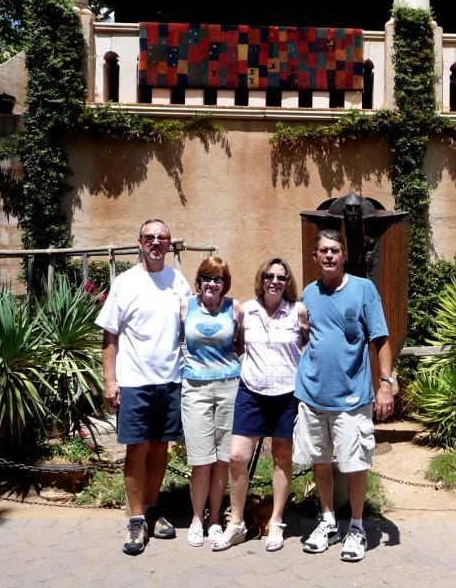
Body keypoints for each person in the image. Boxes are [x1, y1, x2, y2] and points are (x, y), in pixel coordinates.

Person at [294, 229, 394, 563]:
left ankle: (356, 526)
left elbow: (380, 339)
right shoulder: (308, 293)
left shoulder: (364, 290)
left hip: (352, 398)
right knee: (320, 461)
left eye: (335, 250)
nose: (329, 255)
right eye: (323, 250)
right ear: (315, 256)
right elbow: (302, 338)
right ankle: (327, 522)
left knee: (355, 463)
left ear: (343, 255)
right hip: (313, 395)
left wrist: (385, 384)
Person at [96, 218, 191, 556]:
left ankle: (151, 508)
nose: (155, 242)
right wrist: (110, 380)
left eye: (162, 237)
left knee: (160, 446)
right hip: (134, 381)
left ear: (168, 243)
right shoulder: (125, 283)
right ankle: (136, 518)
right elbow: (110, 336)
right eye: (149, 237)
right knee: (137, 448)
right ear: (139, 242)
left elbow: (193, 326)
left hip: (169, 379)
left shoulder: (178, 280)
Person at [213, 257, 309, 552]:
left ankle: (277, 521)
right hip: (251, 392)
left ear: (287, 281)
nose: (275, 281)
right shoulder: (247, 310)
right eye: (270, 275)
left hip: (285, 393)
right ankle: (237, 522)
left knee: (282, 458)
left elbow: (306, 344)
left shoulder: (297, 311)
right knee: (237, 456)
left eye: (281, 277)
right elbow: (237, 344)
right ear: (262, 277)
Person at [180, 255, 243, 547]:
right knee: (200, 459)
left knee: (222, 459)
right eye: (207, 277)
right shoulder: (185, 306)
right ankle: (196, 518)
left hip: (229, 385)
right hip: (195, 387)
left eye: (218, 279)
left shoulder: (235, 308)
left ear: (225, 284)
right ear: (199, 280)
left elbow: (240, 345)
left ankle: (215, 519)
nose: (212, 284)